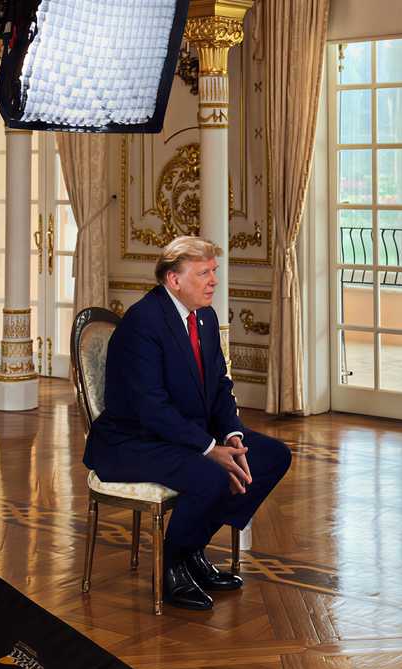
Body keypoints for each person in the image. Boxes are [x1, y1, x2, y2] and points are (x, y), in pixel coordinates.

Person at [83, 236, 292, 611]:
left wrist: (232, 436)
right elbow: (152, 408)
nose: (213, 281)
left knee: (272, 456)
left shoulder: (205, 317)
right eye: (203, 273)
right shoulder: (142, 322)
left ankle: (191, 547)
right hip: (132, 441)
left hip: (180, 435)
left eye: (214, 271)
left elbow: (219, 387)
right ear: (173, 280)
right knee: (211, 475)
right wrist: (211, 449)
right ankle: (172, 566)